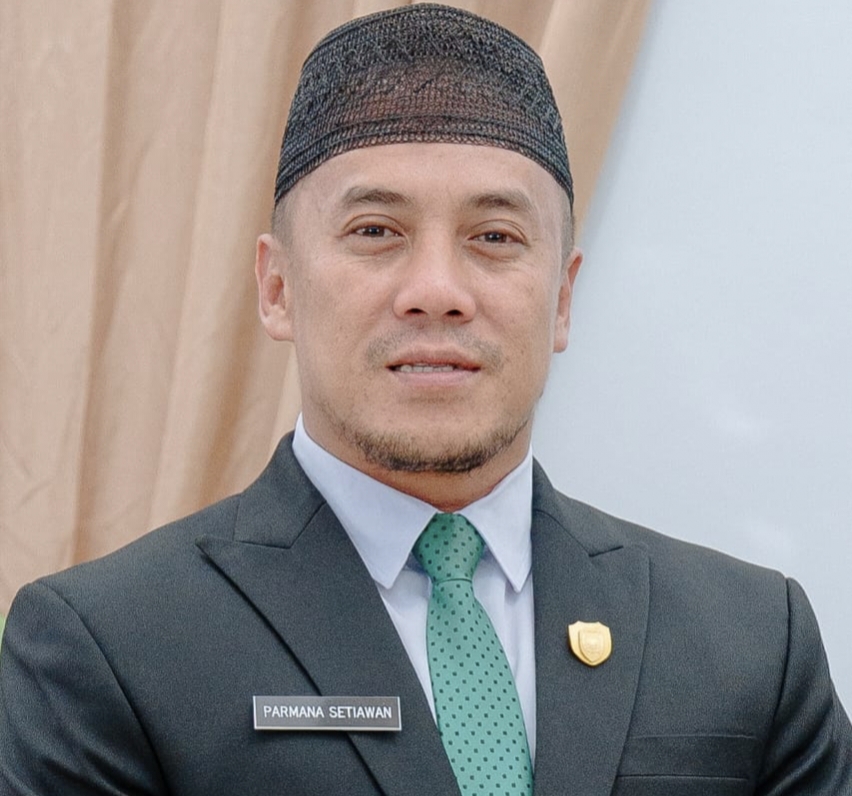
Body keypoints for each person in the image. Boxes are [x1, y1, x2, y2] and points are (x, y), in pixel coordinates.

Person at [1, 5, 849, 794]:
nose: (437, 291)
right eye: (376, 232)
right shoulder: (105, 647)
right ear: (277, 287)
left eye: (494, 236)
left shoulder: (751, 640)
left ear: (562, 299)